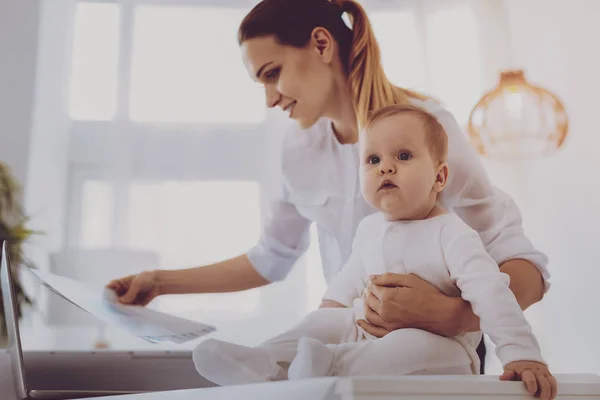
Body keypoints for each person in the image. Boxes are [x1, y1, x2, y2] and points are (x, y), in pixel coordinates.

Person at [107, 0, 550, 376]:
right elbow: (271, 257)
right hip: (350, 328)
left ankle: (318, 364)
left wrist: (452, 315)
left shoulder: (426, 133)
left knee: (373, 357)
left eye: (272, 73)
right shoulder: (298, 150)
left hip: (432, 349)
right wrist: (159, 282)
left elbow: (521, 263)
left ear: (321, 44)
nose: (270, 98)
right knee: (315, 337)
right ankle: (267, 362)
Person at [192, 105, 557, 400]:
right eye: (372, 160)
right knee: (325, 322)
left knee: (406, 345)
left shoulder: (453, 234)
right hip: (366, 330)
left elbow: (493, 296)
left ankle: (329, 365)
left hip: (443, 350)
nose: (386, 166)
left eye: (403, 155)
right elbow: (344, 286)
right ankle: (265, 358)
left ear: (440, 178)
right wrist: (325, 326)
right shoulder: (370, 229)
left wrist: (521, 354)